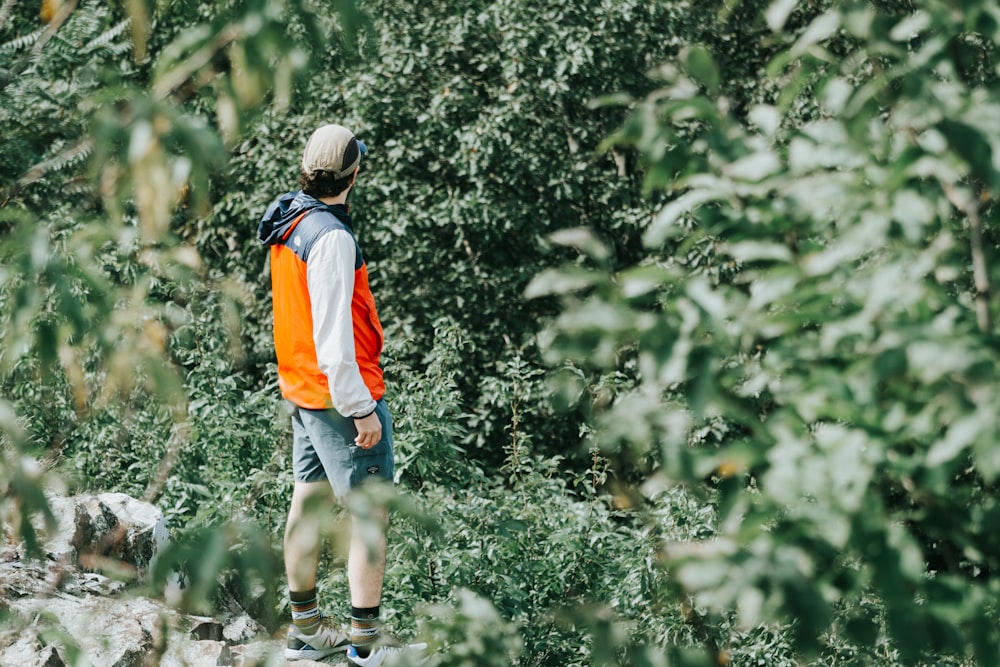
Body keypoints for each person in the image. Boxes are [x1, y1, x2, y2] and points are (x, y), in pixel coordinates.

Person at [258, 124, 425, 666]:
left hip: (303, 390)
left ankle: (306, 629)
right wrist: (362, 410)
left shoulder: (290, 221)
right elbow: (335, 340)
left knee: (306, 504)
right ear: (355, 173)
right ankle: (365, 648)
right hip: (337, 396)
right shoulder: (331, 237)